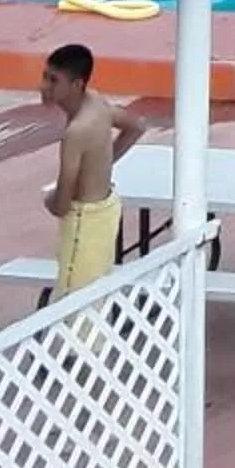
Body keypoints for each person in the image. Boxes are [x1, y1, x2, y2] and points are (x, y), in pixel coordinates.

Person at [39, 44, 146, 295]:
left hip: (83, 222)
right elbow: (137, 125)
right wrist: (101, 166)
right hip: (106, 209)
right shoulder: (97, 102)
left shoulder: (76, 132)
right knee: (95, 296)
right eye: (45, 76)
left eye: (53, 80)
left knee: (70, 305)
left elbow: (63, 205)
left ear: (76, 85)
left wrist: (49, 200)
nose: (44, 86)